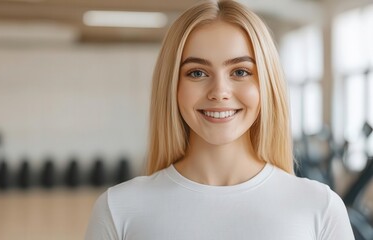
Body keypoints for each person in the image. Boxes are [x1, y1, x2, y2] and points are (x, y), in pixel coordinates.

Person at [85, 0, 355, 239]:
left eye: (240, 71)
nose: (219, 92)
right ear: (172, 86)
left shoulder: (320, 208)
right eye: (197, 73)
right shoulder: (118, 209)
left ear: (266, 85)